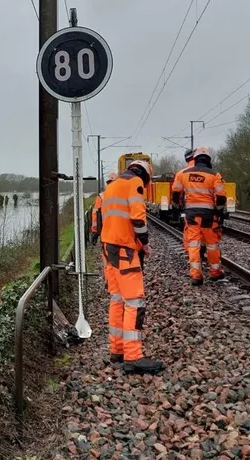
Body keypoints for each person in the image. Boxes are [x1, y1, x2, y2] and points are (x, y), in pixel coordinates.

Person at [100, 160, 163, 374]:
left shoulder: (112, 186)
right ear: (144, 175)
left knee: (117, 300)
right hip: (125, 251)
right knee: (134, 302)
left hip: (109, 249)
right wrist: (144, 243)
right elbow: (137, 218)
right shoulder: (134, 183)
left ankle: (116, 350)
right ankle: (133, 356)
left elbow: (114, 221)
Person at [172, 147, 227, 285]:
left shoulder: (183, 174)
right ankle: (215, 272)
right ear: (209, 159)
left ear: (194, 159)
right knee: (211, 244)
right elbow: (221, 196)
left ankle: (196, 275)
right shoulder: (215, 175)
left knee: (193, 244)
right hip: (209, 215)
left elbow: (176, 192)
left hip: (191, 215)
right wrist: (219, 211)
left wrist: (177, 206)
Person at [172, 148, 196, 254]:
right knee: (210, 239)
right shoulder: (212, 173)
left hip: (191, 210)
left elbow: (176, 192)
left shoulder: (181, 173)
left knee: (192, 233)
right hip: (210, 210)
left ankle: (193, 258)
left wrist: (176, 206)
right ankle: (214, 267)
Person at [90, 173, 117, 246]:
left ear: (107, 183)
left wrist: (95, 231)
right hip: (121, 230)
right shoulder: (124, 194)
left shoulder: (101, 196)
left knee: (108, 252)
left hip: (106, 231)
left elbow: (95, 214)